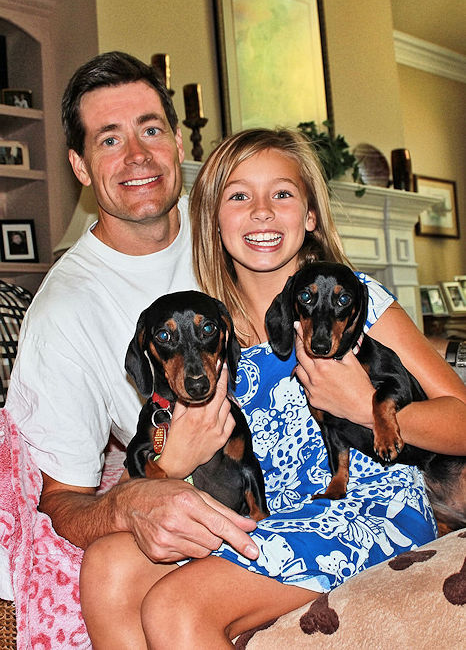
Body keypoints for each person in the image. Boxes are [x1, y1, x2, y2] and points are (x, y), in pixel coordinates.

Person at [79, 128, 466, 647]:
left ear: (310, 216)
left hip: (368, 509)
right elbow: (160, 453)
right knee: (106, 566)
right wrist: (172, 461)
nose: (261, 211)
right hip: (264, 516)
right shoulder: (206, 333)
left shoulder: (358, 302)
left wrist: (360, 404)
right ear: (213, 221)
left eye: (281, 193)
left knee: (177, 605)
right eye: (239, 196)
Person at [5, 51, 260, 567]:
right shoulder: (64, 312)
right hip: (219, 494)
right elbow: (60, 501)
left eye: (150, 130)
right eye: (109, 140)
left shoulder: (236, 225)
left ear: (177, 144)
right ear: (80, 166)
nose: (138, 155)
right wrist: (132, 501)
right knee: (111, 569)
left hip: (312, 454)